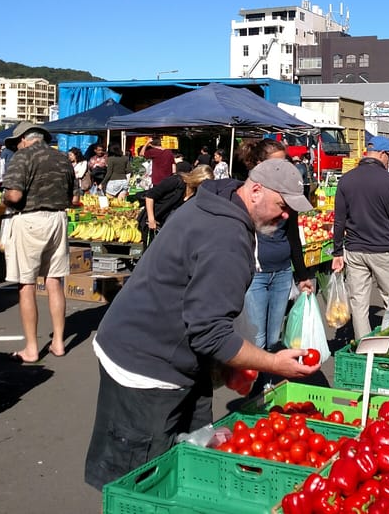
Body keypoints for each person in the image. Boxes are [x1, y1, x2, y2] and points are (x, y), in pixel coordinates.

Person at [84, 158, 318, 490]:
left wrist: (228, 359)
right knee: (141, 477)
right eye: (281, 206)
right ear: (254, 190)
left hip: (154, 348)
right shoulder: (227, 235)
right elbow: (209, 332)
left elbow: (205, 307)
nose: (285, 217)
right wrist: (272, 363)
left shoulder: (215, 203)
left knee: (189, 453)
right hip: (148, 365)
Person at [2, 122, 77, 364]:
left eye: (17, 142)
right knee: (55, 281)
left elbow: (14, 195)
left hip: (30, 220)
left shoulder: (22, 157)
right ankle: (58, 343)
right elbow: (75, 199)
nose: (16, 146)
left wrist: (5, 200)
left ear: (25, 139)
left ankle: (32, 348)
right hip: (58, 219)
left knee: (27, 283)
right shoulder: (63, 158)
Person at [331, 136, 389, 339]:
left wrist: (337, 251)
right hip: (384, 249)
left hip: (354, 250)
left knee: (358, 303)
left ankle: (363, 347)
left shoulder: (347, 179)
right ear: (384, 154)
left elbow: (339, 220)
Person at [237, 138, 314, 351]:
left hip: (282, 272)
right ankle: (255, 383)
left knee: (273, 338)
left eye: (286, 162)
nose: (283, 168)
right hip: (256, 275)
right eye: (277, 163)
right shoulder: (249, 195)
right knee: (257, 337)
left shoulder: (288, 195)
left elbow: (293, 237)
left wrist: (302, 275)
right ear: (260, 163)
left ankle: (268, 382)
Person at [140, 162, 211, 247]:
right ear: (198, 178)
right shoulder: (176, 181)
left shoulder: (196, 193)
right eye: (204, 182)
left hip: (169, 228)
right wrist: (151, 219)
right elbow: (150, 196)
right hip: (153, 223)